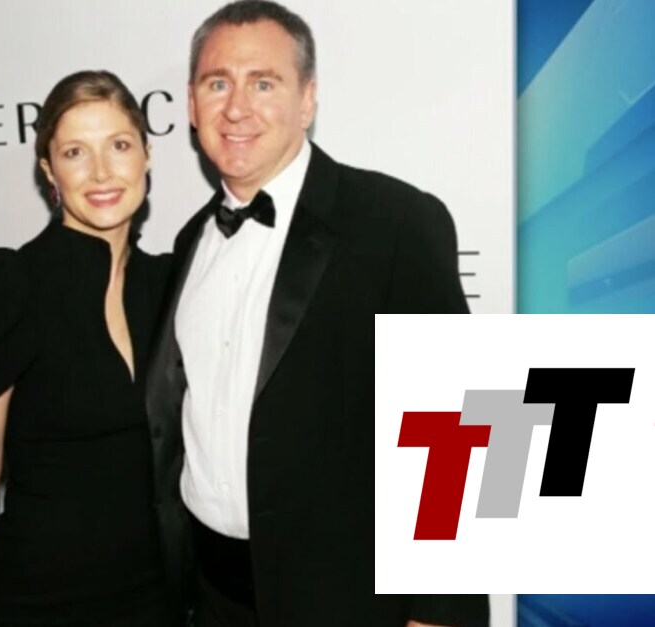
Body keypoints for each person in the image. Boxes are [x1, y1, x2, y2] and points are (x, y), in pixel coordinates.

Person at [143, 2, 490, 626]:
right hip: (213, 599)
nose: (237, 108)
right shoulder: (191, 241)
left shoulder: (394, 222)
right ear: (191, 106)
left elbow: (462, 426)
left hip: (347, 599)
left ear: (307, 100)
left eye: (264, 83)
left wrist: (439, 613)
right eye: (217, 84)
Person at [0, 70, 177, 627]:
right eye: (75, 152)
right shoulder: (12, 288)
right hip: (37, 599)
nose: (102, 172)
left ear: (147, 156)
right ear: (49, 171)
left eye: (119, 145)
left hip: (156, 598)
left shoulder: (171, 286)